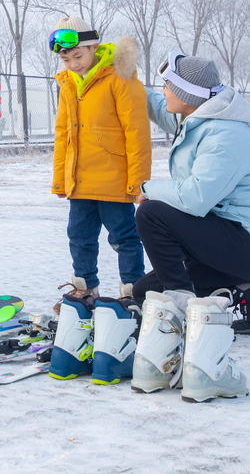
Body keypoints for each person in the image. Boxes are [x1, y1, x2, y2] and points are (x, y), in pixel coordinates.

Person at [129, 52, 250, 402]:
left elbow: (196, 198)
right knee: (144, 293)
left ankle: (182, 310)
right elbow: (158, 107)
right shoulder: (200, 119)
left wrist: (145, 189)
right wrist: (125, 80)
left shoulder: (225, 135)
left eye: (170, 85)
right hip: (230, 240)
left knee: (151, 212)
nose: (164, 91)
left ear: (187, 95)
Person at [50, 17, 152, 310]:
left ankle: (132, 291)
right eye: (65, 59)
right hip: (80, 181)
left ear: (94, 47)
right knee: (79, 237)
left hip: (113, 181)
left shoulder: (120, 78)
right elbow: (63, 134)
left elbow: (137, 133)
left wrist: (139, 181)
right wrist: (61, 178)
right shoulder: (68, 84)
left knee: (124, 238)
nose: (72, 64)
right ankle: (84, 289)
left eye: (77, 56)